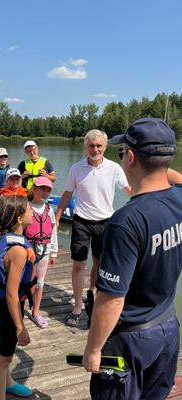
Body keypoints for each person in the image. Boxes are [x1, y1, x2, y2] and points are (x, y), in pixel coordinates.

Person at [82, 118, 182, 399]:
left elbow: (111, 299)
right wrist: (159, 163)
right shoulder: (179, 200)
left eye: (122, 152)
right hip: (167, 326)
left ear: (132, 158)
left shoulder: (126, 221)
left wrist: (93, 349)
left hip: (131, 339)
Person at [55, 129, 132, 327]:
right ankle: (78, 305)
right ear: (85, 146)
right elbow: (67, 194)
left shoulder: (114, 168)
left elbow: (129, 190)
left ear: (105, 147)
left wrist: (146, 202)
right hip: (81, 220)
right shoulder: (76, 168)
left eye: (99, 145)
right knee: (79, 264)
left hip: (105, 222)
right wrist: (57, 217)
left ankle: (92, 293)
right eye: (91, 145)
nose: (95, 149)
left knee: (98, 261)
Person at [0, 195, 36, 399]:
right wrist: (20, 327)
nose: (32, 211)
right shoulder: (17, 250)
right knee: (4, 359)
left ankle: (8, 382)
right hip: (9, 306)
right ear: (19, 218)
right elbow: (11, 294)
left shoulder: (3, 237)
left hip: (3, 302)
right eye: (28, 209)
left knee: (4, 349)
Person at [25, 177, 58, 329]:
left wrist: (53, 253)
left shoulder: (49, 210)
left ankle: (36, 312)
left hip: (44, 250)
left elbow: (53, 233)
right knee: (22, 281)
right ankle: (17, 310)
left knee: (40, 282)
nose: (44, 193)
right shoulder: (25, 206)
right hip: (26, 251)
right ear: (34, 188)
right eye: (41, 189)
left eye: (47, 190)